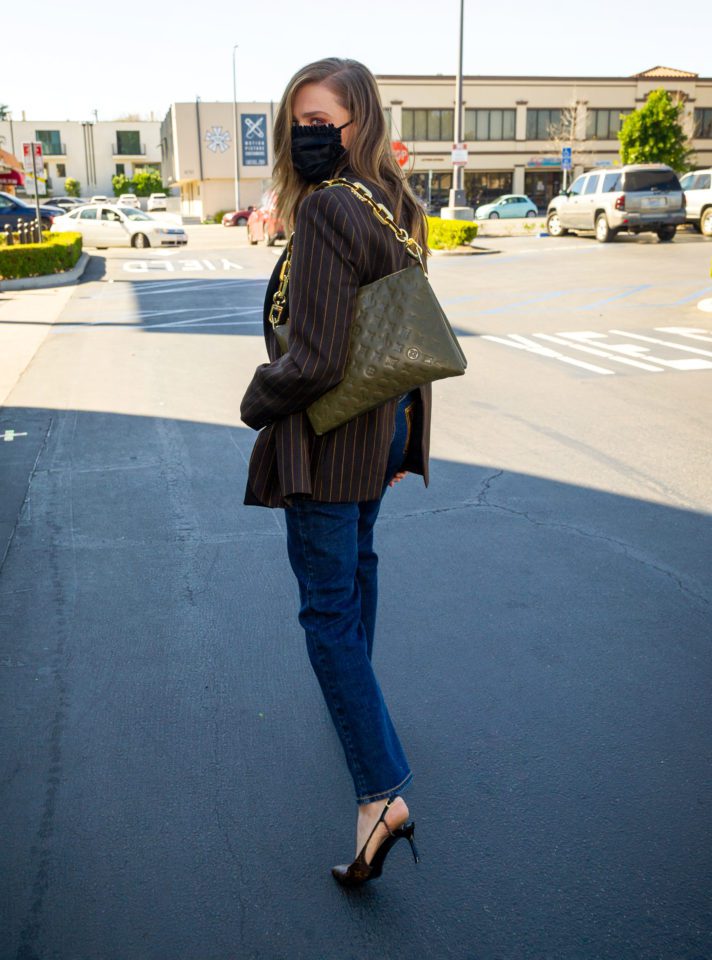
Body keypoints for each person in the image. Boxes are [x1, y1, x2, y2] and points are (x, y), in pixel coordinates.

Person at [240, 57, 431, 886]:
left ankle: (380, 794)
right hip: (376, 431)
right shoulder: (398, 205)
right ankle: (362, 714)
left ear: (362, 125)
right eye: (300, 122)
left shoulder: (323, 215)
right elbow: (409, 338)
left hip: (325, 440)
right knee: (356, 571)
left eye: (327, 123)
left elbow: (314, 360)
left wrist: (255, 399)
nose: (310, 136)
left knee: (326, 612)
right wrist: (405, 439)